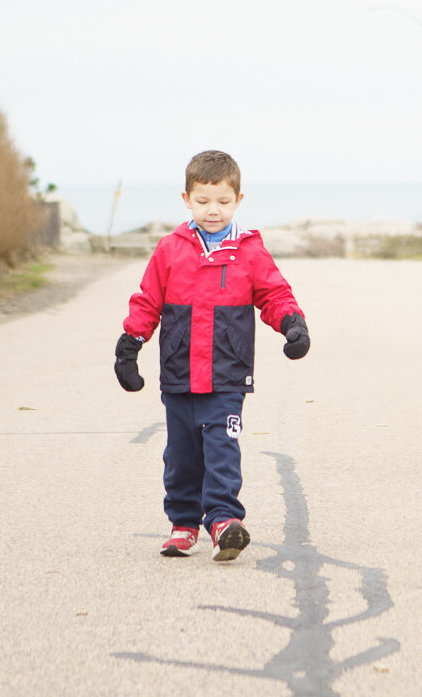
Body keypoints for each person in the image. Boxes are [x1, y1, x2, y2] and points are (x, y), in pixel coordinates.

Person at [113, 150, 310, 560]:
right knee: (181, 455)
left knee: (222, 447)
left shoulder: (249, 252)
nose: (213, 210)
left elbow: (274, 293)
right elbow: (148, 300)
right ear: (186, 199)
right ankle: (183, 524)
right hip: (179, 373)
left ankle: (223, 520)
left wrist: (292, 324)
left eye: (222, 201)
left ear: (238, 200)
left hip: (227, 375)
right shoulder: (170, 250)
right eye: (203, 201)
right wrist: (130, 345)